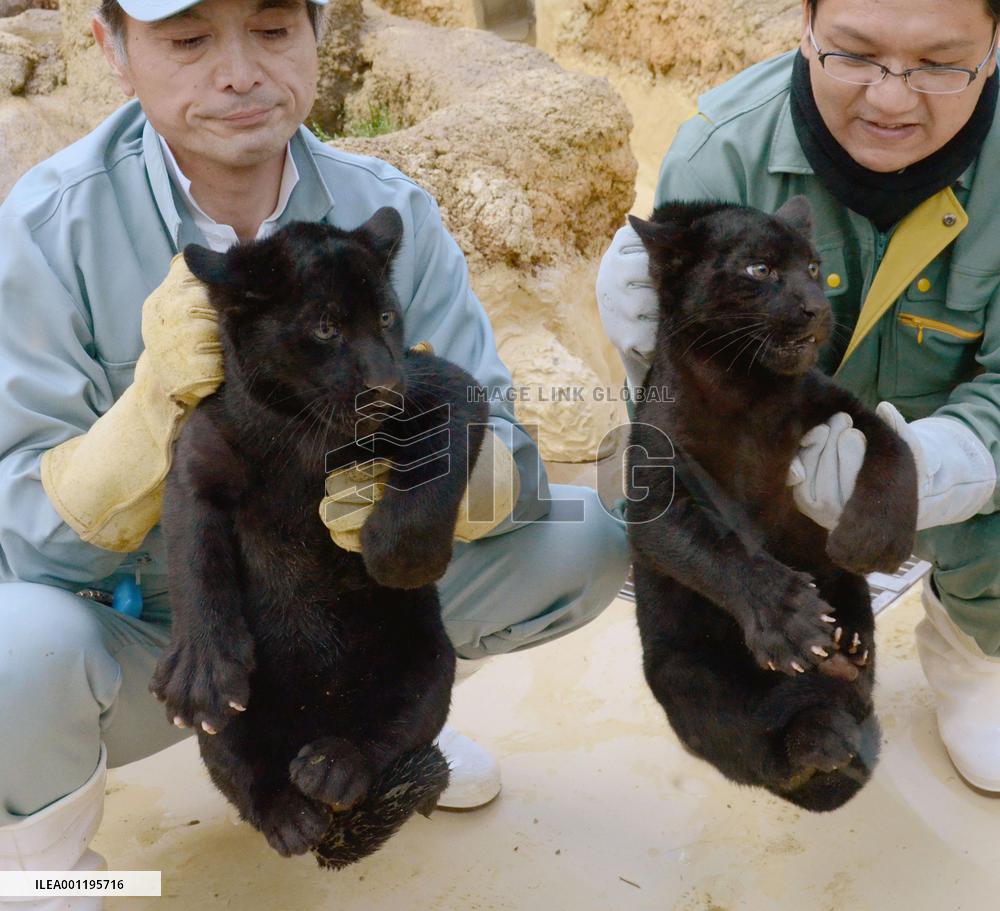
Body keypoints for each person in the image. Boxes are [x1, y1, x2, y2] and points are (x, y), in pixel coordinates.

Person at [0, 0, 630, 904]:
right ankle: (44, 874)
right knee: (13, 652)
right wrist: (147, 415)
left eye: (271, 28)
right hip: (156, 626)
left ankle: (390, 734)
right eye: (186, 40)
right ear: (113, 49)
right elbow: (27, 541)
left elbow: (513, 466)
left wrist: (424, 481)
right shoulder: (47, 227)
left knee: (584, 539)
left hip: (343, 598)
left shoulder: (385, 209)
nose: (240, 72)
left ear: (318, 30)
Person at [599, 0, 1000, 794]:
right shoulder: (722, 154)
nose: (891, 98)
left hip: (958, 474)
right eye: (854, 54)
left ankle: (976, 644)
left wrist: (931, 465)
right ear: (805, 28)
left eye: (939, 63)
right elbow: (670, 462)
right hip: (770, 498)